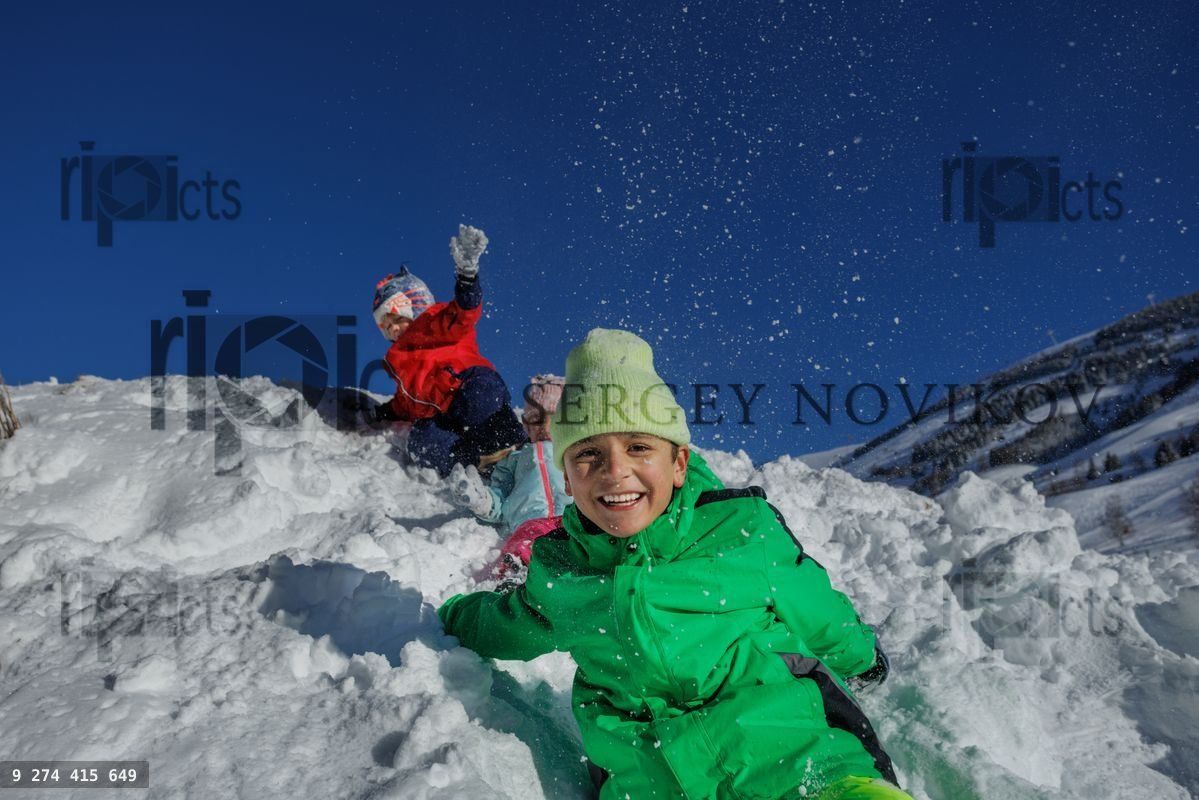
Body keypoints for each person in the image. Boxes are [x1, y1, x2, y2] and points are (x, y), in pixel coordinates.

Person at [437, 328, 909, 800]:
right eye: (587, 453)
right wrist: (453, 615)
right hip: (649, 781)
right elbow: (511, 622)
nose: (614, 470)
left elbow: (814, 604)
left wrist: (862, 659)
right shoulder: (563, 570)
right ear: (568, 475)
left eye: (638, 447)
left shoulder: (738, 529)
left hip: (799, 758)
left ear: (679, 462)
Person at [370, 224, 527, 477]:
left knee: (477, 399)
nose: (393, 330)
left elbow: (465, 312)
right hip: (447, 416)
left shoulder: (435, 321)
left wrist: (467, 279)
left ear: (414, 304)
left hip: (471, 387)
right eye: (386, 327)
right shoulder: (398, 364)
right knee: (421, 440)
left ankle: (516, 444)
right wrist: (383, 411)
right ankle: (476, 466)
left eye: (396, 319)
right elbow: (406, 403)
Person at [448, 374, 571, 585]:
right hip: (531, 523)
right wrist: (483, 501)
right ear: (526, 424)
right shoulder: (513, 461)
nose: (544, 426)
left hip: (573, 520)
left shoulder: (574, 456)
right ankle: (514, 579)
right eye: (536, 420)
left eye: (554, 418)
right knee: (524, 545)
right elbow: (500, 499)